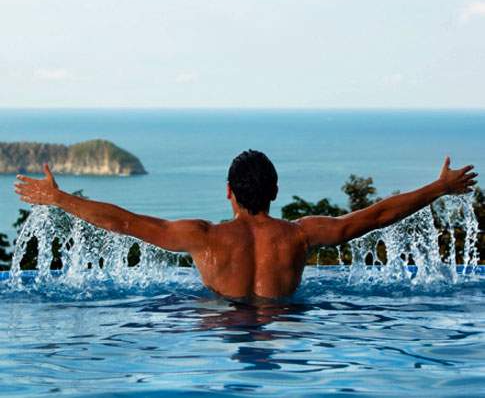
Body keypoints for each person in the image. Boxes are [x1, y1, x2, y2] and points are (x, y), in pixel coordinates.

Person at [14, 150, 477, 298]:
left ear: (229, 192)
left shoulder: (203, 237)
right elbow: (375, 216)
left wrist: (55, 198)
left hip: (217, 327)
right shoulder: (301, 235)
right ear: (274, 193)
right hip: (289, 330)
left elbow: (124, 222)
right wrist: (437, 188)